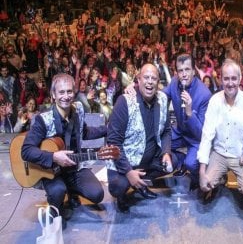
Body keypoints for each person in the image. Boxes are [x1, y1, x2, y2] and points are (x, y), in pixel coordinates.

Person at [21, 73, 107, 229]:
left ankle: (71, 190)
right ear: (53, 95)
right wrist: (53, 156)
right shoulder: (43, 120)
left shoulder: (78, 110)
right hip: (53, 172)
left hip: (75, 168)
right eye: (61, 92)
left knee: (97, 194)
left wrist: (106, 129)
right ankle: (58, 196)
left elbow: (84, 132)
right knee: (57, 193)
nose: (66, 96)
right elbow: (26, 151)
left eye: (69, 91)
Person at [106, 63, 176, 213]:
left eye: (154, 78)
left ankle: (141, 184)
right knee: (118, 186)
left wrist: (166, 152)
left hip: (148, 159)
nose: (150, 81)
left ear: (158, 82)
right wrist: (128, 172)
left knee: (173, 161)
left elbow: (166, 131)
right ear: (138, 79)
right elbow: (113, 143)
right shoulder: (124, 102)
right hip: (125, 161)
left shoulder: (163, 99)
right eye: (146, 77)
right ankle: (126, 189)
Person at [197, 59, 243, 204]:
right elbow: (207, 136)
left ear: (240, 79)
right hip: (218, 153)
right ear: (220, 80)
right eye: (226, 78)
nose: (230, 83)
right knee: (205, 186)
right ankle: (219, 179)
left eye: (233, 78)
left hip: (239, 156)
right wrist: (201, 172)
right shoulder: (214, 101)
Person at [164, 53, 212, 187]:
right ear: (176, 72)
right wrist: (139, 89)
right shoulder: (174, 82)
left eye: (187, 69)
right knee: (159, 144)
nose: (184, 74)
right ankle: (180, 160)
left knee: (191, 164)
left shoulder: (205, 95)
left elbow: (201, 134)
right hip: (180, 132)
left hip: (196, 138)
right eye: (180, 70)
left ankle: (197, 178)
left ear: (194, 71)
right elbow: (161, 96)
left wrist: (190, 113)